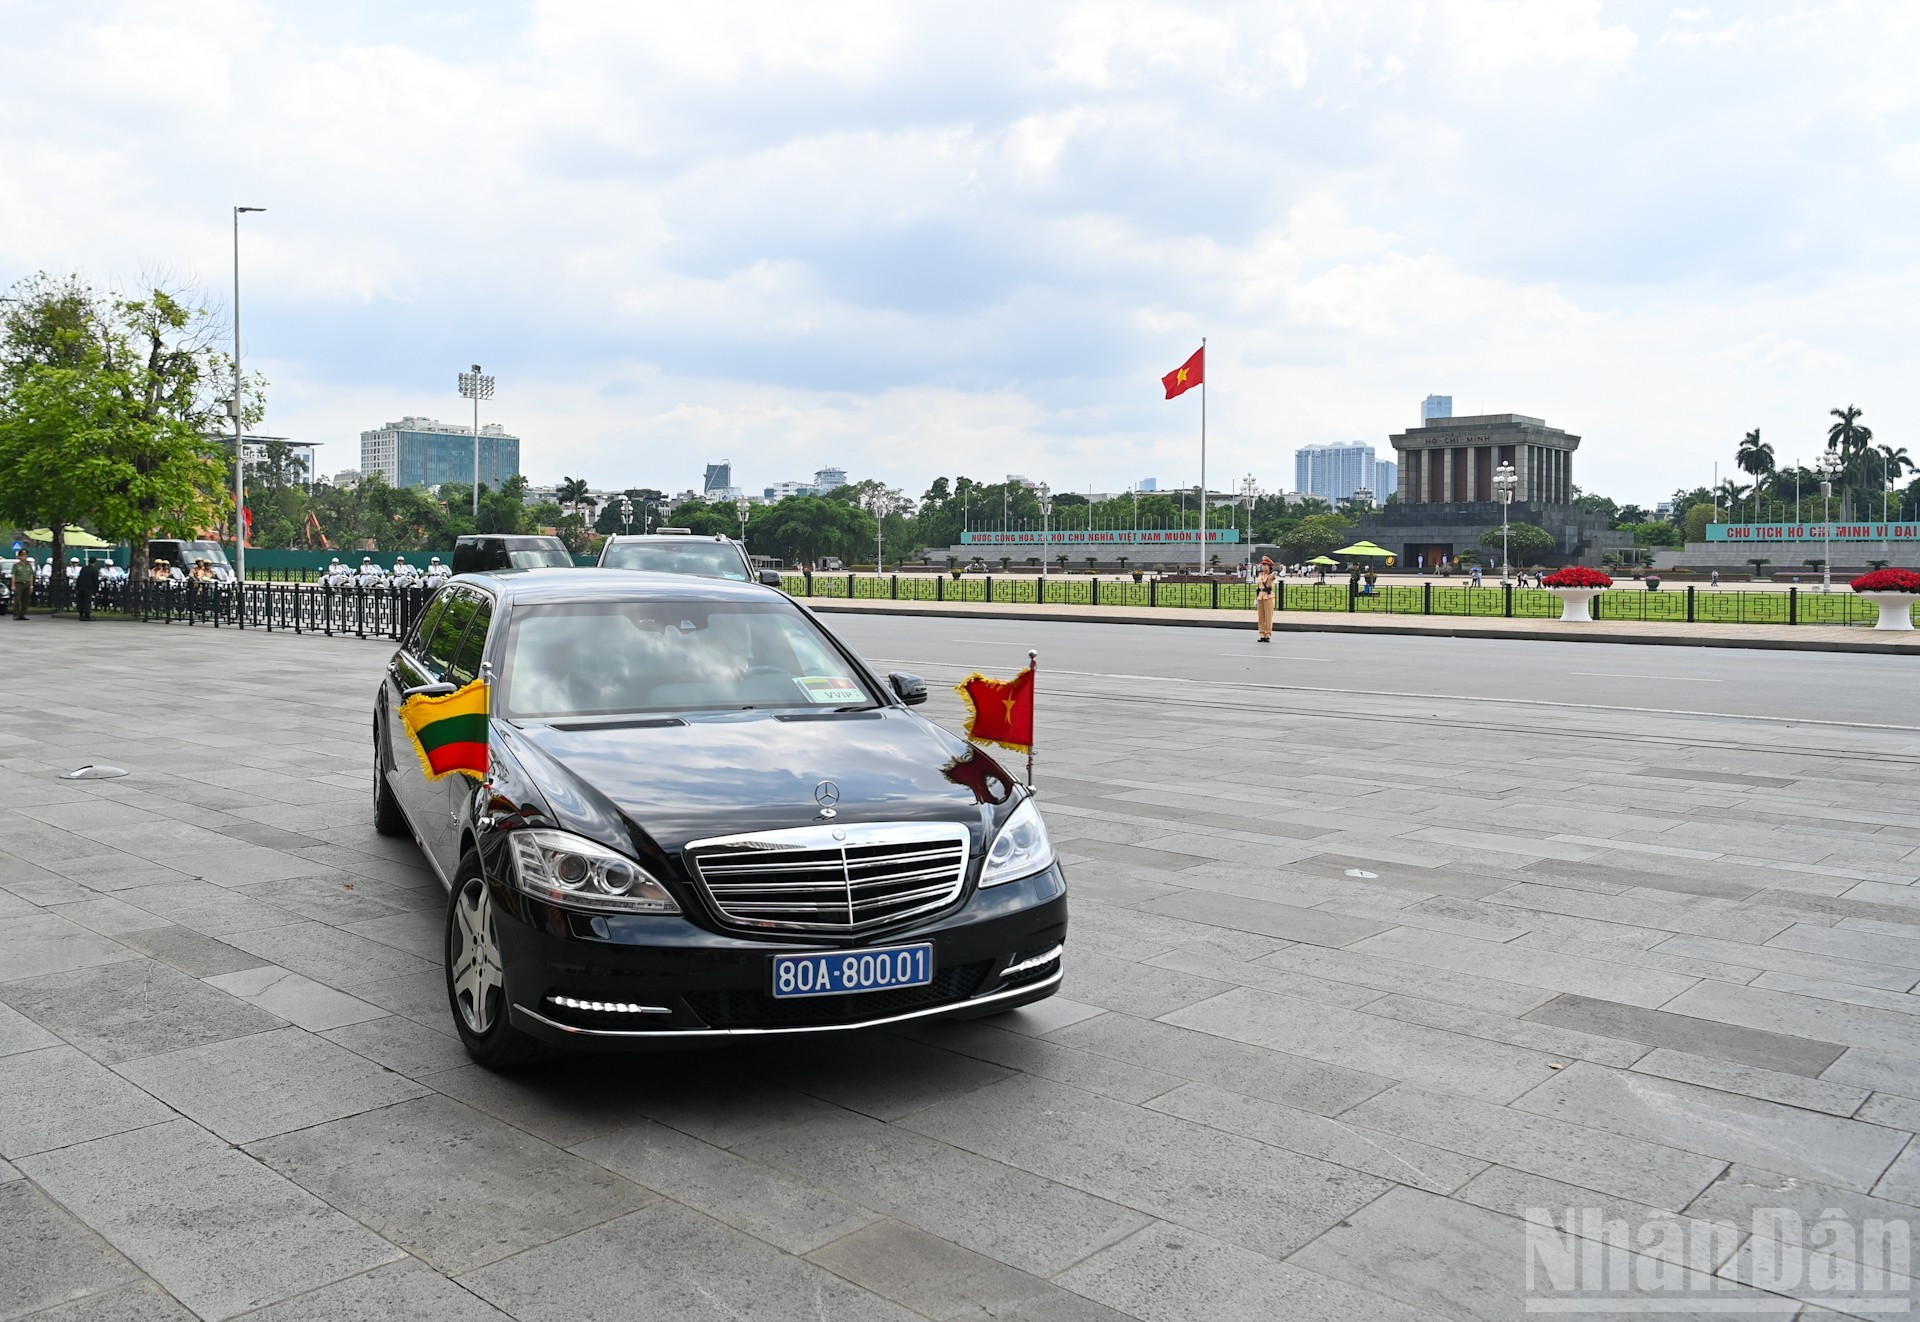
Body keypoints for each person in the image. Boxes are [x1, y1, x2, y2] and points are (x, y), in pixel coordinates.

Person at [1254, 556, 1278, 642]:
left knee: (1268, 617)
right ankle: (1262, 634)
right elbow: (1258, 587)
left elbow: (1273, 578)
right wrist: (1256, 599)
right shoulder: (1260, 575)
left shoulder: (1271, 575)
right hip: (1260, 596)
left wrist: (1274, 574)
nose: (1263, 567)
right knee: (1261, 617)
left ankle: (1268, 634)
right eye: (1262, 565)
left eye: (1265, 565)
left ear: (1269, 566)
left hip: (1268, 597)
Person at [10, 550, 32, 620]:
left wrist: (31, 585)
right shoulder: (16, 565)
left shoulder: (29, 565)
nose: (24, 557)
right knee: (17, 599)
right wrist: (13, 585)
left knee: (25, 600)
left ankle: (23, 614)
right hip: (18, 584)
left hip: (27, 583)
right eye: (22, 556)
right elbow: (13, 575)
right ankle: (16, 614)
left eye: (25, 556)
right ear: (19, 557)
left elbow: (31, 575)